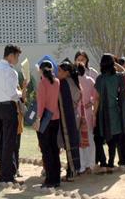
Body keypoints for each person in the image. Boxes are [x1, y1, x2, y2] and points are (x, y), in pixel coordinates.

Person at [0, 44, 23, 184]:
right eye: (17, 56)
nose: (17, 60)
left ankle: (1, 173)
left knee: (0, 141)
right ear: (11, 55)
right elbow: (13, 93)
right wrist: (21, 93)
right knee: (9, 142)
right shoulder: (11, 71)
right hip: (8, 107)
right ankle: (8, 175)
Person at [93, 54, 125, 172]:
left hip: (102, 112)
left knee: (99, 139)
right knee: (113, 139)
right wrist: (115, 64)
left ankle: (103, 163)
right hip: (115, 111)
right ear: (112, 64)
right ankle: (111, 163)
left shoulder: (100, 79)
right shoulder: (118, 77)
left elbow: (97, 98)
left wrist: (94, 114)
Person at [34, 60, 61, 189]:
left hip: (45, 119)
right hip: (56, 118)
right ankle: (56, 179)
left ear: (40, 70)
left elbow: (41, 103)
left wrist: (38, 119)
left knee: (46, 150)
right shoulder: (57, 82)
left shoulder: (42, 83)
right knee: (54, 149)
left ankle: (49, 180)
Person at [57, 59, 82, 181]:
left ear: (66, 72)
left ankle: (71, 172)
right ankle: (74, 169)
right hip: (74, 115)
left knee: (69, 143)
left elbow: (61, 102)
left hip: (68, 117)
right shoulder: (74, 81)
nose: (57, 73)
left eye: (60, 71)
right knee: (73, 143)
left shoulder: (64, 84)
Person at [76, 57, 98, 174]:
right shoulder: (90, 80)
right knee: (90, 139)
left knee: (80, 141)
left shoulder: (74, 81)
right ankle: (91, 164)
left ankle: (82, 165)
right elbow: (96, 96)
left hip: (77, 114)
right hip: (88, 112)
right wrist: (91, 103)